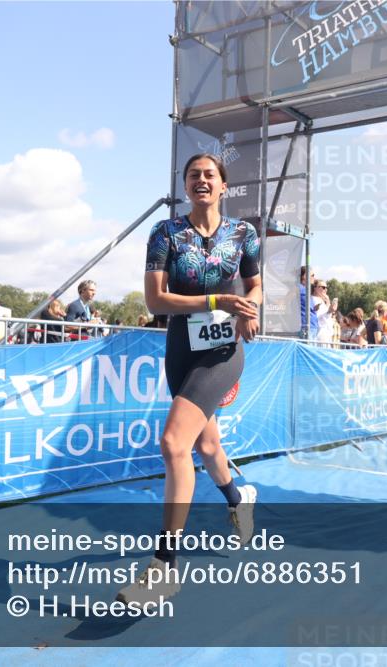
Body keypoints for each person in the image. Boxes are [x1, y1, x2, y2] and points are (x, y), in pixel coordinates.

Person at [117, 153, 261, 607]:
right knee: (207, 446)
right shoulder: (165, 233)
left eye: (210, 175)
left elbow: (255, 284)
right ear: (185, 186)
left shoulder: (244, 233)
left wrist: (249, 307)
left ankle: (164, 567)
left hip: (222, 350)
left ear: (223, 186)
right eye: (194, 175)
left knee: (174, 443)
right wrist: (219, 299)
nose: (202, 180)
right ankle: (238, 499)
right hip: (180, 347)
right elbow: (156, 300)